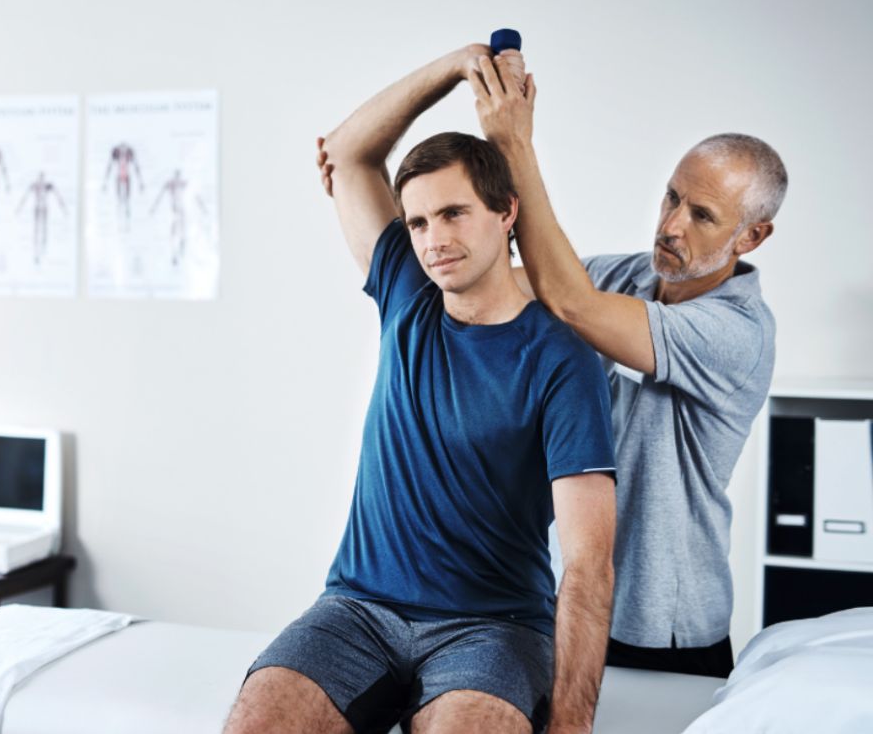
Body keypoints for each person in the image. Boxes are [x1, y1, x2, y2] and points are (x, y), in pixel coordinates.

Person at [225, 44, 618, 734]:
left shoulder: (563, 361)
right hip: (358, 608)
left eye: (454, 213)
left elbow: (587, 563)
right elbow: (346, 154)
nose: (433, 239)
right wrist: (456, 66)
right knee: (257, 720)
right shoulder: (408, 296)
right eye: (417, 221)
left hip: (491, 627)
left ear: (506, 214)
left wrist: (573, 722)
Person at [459, 49, 786, 678]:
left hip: (664, 628)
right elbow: (514, 283)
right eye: (671, 197)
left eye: (701, 215)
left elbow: (571, 302)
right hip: (573, 602)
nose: (669, 225)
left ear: (751, 237)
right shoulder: (628, 276)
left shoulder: (737, 333)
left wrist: (516, 144)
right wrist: (427, 240)